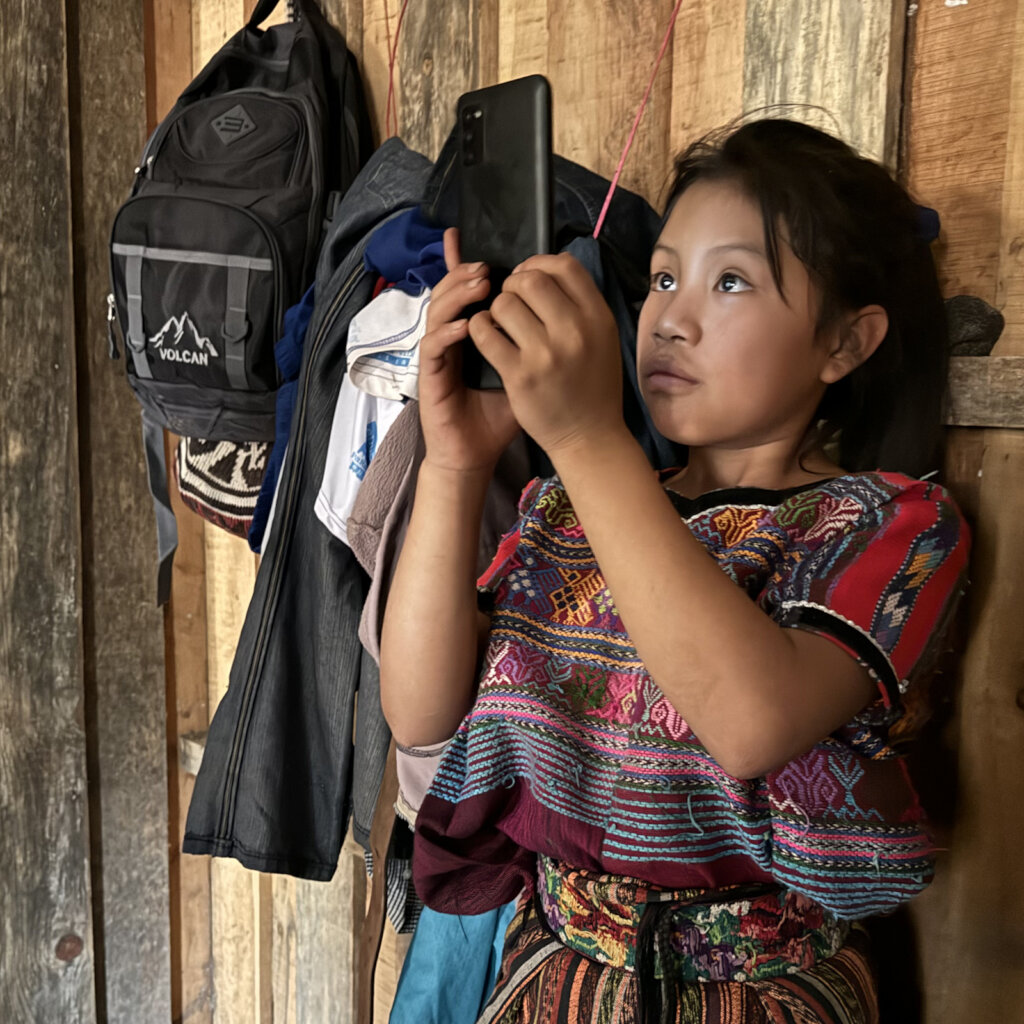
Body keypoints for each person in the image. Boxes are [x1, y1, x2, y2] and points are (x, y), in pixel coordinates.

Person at [379, 118, 970, 1024]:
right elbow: (421, 713)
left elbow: (751, 721)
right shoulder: (568, 507)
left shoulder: (889, 525)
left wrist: (586, 436)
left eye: (729, 281)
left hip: (762, 995)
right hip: (550, 977)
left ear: (846, 343)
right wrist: (454, 465)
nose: (669, 319)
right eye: (661, 278)